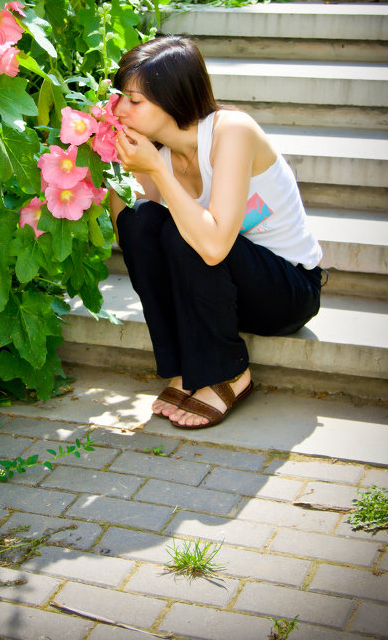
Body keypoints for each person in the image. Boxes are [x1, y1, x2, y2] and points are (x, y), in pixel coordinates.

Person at [108, 35, 323, 430]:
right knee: (141, 220)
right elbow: (132, 242)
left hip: (286, 291)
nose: (120, 108)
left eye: (134, 101)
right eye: (119, 96)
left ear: (172, 99)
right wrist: (110, 162)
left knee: (184, 231)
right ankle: (185, 368)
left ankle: (228, 373)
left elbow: (212, 246)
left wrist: (155, 169)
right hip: (220, 294)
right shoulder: (159, 152)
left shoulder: (232, 131)